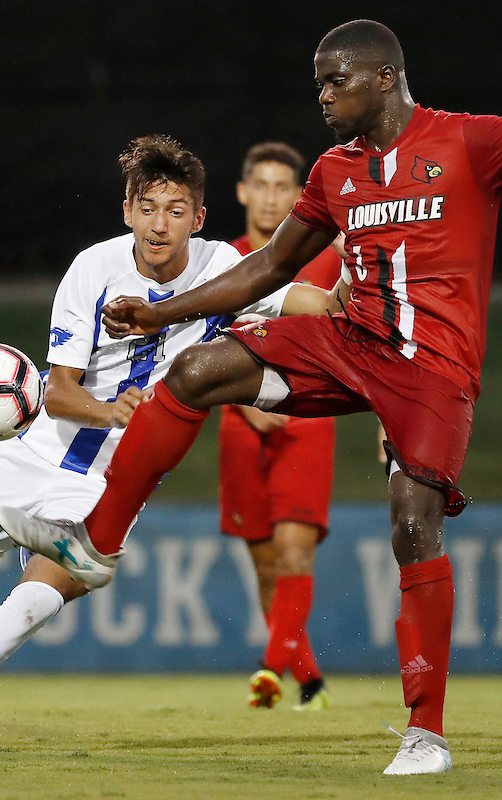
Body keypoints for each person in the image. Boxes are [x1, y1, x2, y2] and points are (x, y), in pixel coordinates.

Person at [0, 19, 502, 776]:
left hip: (435, 372)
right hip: (351, 343)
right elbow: (273, 265)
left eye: (334, 80)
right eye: (317, 83)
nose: (323, 96)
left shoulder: (471, 141)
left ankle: (426, 733)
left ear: (384, 78)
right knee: (196, 371)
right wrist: (161, 313)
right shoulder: (336, 170)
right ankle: (97, 543)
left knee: (412, 524)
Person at [0, 134, 346, 754]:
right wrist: (117, 412)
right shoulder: (93, 268)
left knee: (29, 610)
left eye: (175, 210)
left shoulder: (223, 271)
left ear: (199, 218)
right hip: (27, 456)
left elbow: (320, 304)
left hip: (104, 486)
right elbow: (59, 394)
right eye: (148, 208)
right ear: (127, 210)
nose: (160, 225)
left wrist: (361, 256)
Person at [219, 142, 342, 712]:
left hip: (306, 421)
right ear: (243, 192)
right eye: (260, 185)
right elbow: (201, 344)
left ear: (298, 196)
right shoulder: (221, 261)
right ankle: (309, 682)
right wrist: (244, 404)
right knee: (267, 567)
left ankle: (269, 670)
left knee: (294, 556)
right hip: (241, 427)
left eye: (281, 188)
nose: (270, 198)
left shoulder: (325, 258)